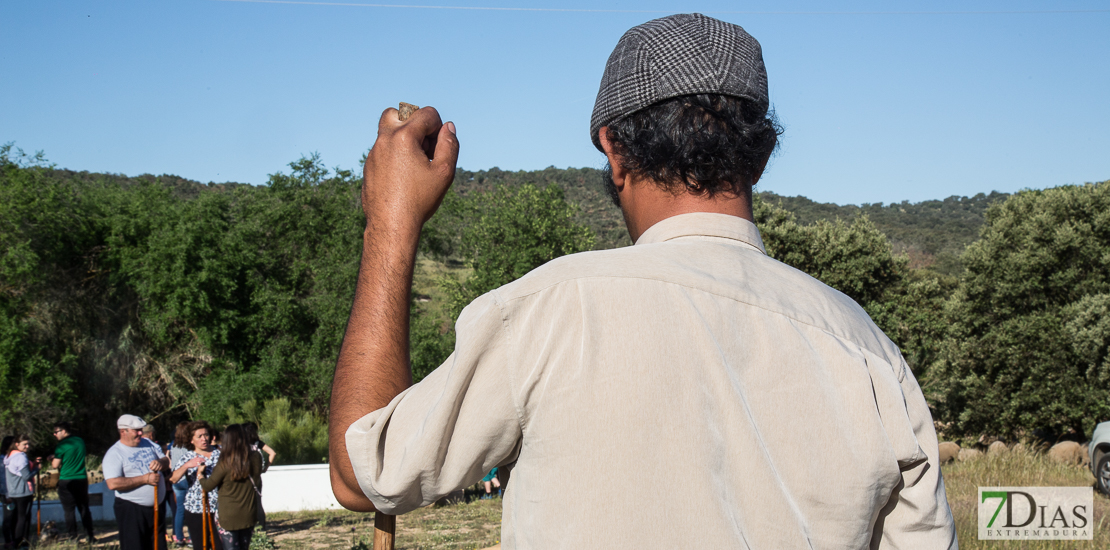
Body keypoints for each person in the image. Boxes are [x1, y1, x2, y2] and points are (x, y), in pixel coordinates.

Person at [328, 12, 957, 549]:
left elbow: (363, 475)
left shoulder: (553, 310)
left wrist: (391, 223)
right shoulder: (869, 350)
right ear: (761, 156)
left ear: (614, 150)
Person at [103, 415, 169, 550]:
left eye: (141, 429)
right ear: (123, 432)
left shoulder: (148, 443)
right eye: (136, 430)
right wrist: (145, 479)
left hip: (157, 506)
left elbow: (166, 461)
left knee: (159, 545)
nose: (140, 433)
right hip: (131, 509)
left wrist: (160, 463)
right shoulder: (115, 453)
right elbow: (112, 483)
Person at [198, 425, 262, 550]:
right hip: (249, 513)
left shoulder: (225, 463)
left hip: (228, 516)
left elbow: (208, 486)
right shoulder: (256, 458)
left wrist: (200, 475)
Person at [169, 421, 222, 550]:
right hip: (196, 507)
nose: (204, 439)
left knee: (220, 545)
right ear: (191, 440)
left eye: (206, 435)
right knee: (200, 545)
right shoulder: (188, 457)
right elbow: (174, 479)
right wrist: (188, 465)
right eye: (199, 436)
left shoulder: (221, 454)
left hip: (220, 507)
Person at [50, 422, 96, 542]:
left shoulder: (61, 445)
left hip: (67, 479)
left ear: (63, 431)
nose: (54, 434)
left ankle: (73, 536)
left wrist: (52, 459)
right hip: (81, 478)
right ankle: (90, 535)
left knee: (69, 510)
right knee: (84, 508)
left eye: (56, 432)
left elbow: (55, 465)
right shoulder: (80, 441)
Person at [3, 436, 39, 549]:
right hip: (23, 492)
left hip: (13, 491)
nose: (27, 446)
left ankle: (14, 541)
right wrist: (37, 469)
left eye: (28, 444)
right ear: (17, 444)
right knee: (22, 518)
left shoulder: (8, 456)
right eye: (25, 444)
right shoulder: (21, 457)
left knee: (14, 518)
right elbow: (27, 476)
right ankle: (19, 543)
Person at [168, 422, 192, 547]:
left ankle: (179, 538)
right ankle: (192, 538)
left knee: (180, 510)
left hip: (176, 479)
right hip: (187, 479)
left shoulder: (173, 446)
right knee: (191, 509)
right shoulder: (189, 446)